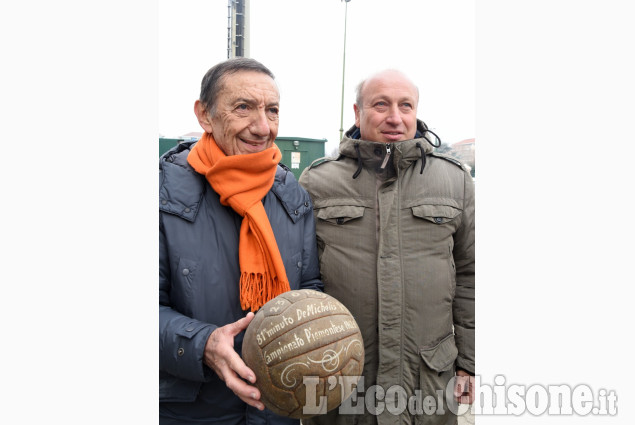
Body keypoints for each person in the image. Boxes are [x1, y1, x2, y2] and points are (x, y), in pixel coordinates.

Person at [299, 69, 475, 425]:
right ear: (357, 112)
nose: (395, 117)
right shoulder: (317, 182)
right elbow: (300, 280)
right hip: (342, 378)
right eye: (381, 104)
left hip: (427, 379)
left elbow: (471, 276)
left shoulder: (454, 182)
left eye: (405, 105)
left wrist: (469, 363)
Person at [159, 57, 323, 424]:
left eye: (272, 110)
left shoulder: (290, 193)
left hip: (275, 407)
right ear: (205, 115)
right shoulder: (161, 193)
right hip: (190, 410)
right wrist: (202, 345)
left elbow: (309, 285)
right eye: (244, 108)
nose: (262, 127)